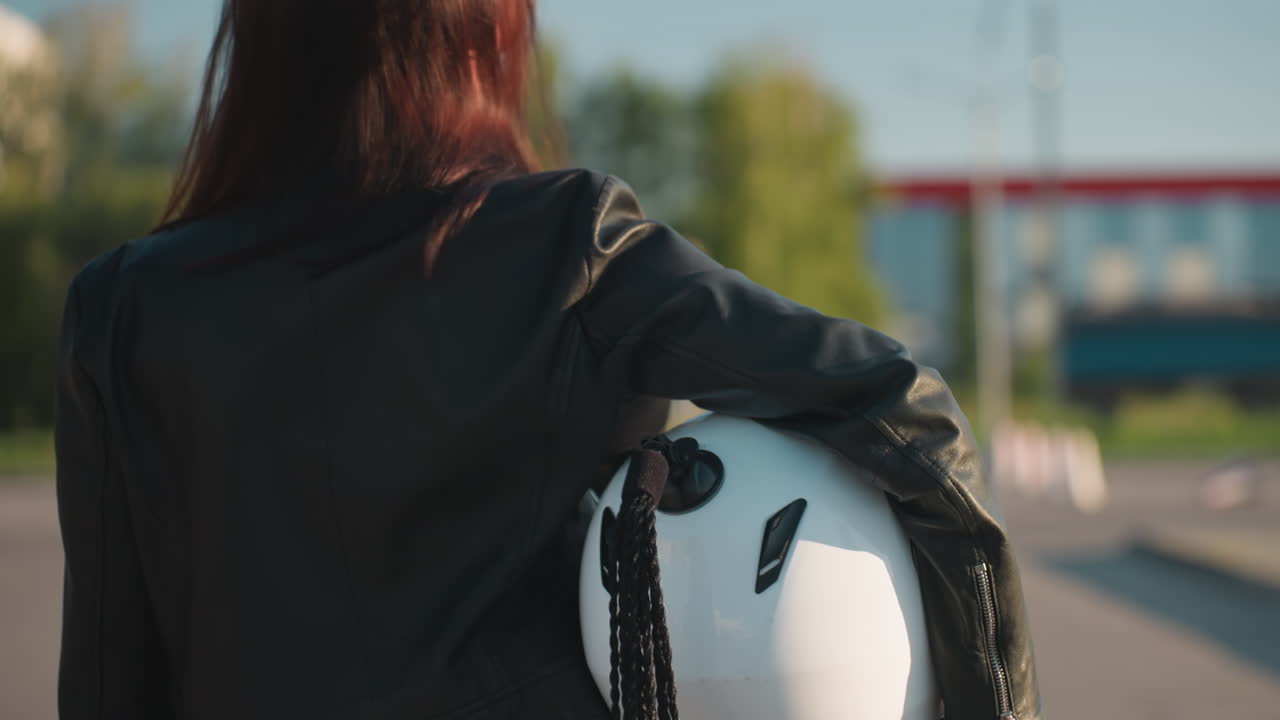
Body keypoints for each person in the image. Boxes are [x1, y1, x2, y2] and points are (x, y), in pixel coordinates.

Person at [53, 1, 1043, 719]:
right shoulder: (566, 248)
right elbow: (906, 417)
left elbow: (106, 684)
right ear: (483, 30)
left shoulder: (124, 309)